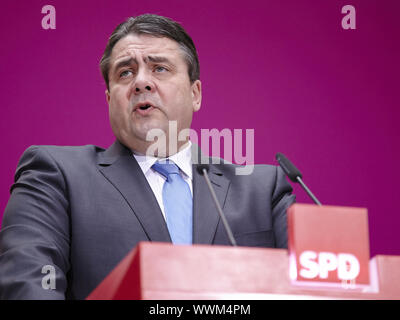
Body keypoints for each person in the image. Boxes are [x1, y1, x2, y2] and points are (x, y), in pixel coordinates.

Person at [0, 14, 295, 300]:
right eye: (125, 73)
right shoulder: (57, 176)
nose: (141, 82)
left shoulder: (262, 189)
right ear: (109, 99)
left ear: (196, 94)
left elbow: (308, 290)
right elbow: (28, 284)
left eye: (159, 69)